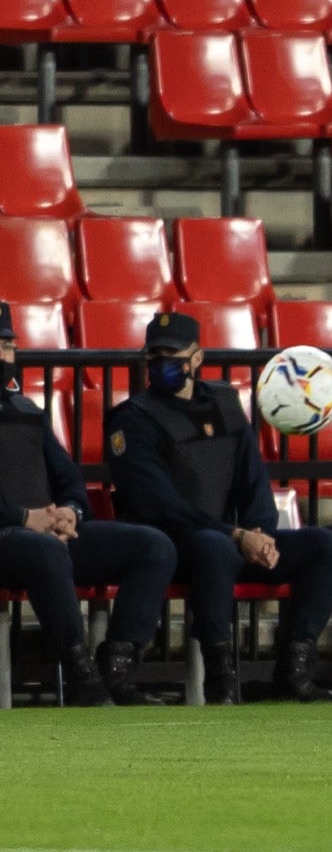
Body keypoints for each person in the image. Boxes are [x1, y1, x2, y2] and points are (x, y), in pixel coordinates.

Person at [106, 311, 332, 704]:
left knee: (331, 547)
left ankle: (294, 670)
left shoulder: (223, 402)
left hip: (233, 539)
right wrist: (236, 535)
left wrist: (261, 533)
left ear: (197, 358)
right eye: (154, 355)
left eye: (172, 355)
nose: (161, 363)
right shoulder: (133, 418)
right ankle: (222, 678)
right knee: (214, 546)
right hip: (175, 544)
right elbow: (157, 502)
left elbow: (252, 478)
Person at [0, 301, 177, 705]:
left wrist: (70, 511)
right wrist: (27, 518)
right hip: (15, 536)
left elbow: (68, 475)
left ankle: (118, 665)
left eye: (7, 344)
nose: (3, 354)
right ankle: (81, 675)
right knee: (44, 550)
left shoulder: (25, 410)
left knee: (154, 546)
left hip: (44, 535)